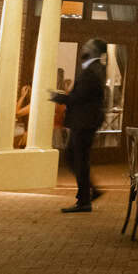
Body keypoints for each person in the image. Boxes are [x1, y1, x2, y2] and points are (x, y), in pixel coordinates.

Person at [51, 38, 108, 213]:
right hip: (84, 121)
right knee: (76, 158)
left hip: (85, 122)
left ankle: (85, 200)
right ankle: (89, 193)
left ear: (94, 51)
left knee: (77, 159)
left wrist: (59, 97)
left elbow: (80, 97)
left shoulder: (93, 70)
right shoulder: (92, 68)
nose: (84, 46)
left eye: (87, 46)